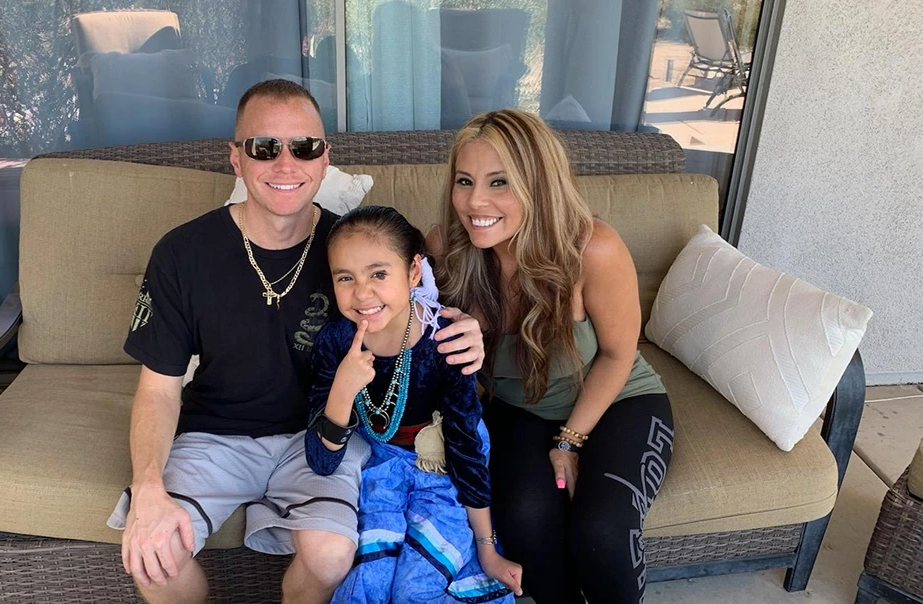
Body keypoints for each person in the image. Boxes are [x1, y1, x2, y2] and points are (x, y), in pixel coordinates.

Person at [106, 79, 487, 604]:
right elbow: (157, 389)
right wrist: (147, 486)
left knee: (331, 555)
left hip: (314, 438)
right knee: (155, 559)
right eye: (265, 148)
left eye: (304, 147)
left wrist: (463, 327)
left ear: (325, 158)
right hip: (212, 435)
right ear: (236, 159)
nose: (287, 165)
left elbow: (411, 306)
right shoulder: (182, 252)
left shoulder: (347, 250)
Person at [434, 109, 675, 603]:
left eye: (499, 182)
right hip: (519, 410)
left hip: (617, 400)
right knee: (524, 519)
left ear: (538, 184)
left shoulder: (593, 248)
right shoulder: (446, 250)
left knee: (602, 530)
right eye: (465, 181)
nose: (475, 201)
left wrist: (569, 441)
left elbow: (617, 354)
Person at [304, 205, 522, 604]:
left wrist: (488, 548)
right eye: (345, 278)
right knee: (369, 584)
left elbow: (465, 448)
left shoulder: (444, 341)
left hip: (442, 468)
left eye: (379, 274)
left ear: (414, 272)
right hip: (381, 468)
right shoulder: (336, 342)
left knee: (415, 591)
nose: (363, 293)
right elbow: (322, 461)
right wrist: (343, 387)